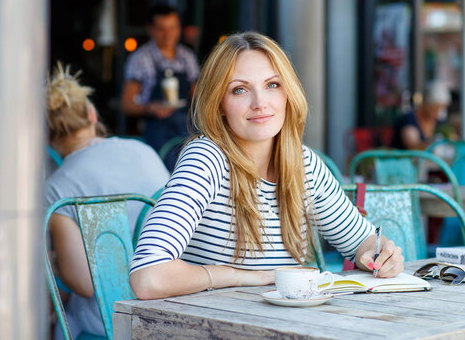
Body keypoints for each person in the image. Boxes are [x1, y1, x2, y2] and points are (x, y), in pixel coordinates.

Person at [129, 32, 404, 299]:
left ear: (288, 93)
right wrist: (241, 276)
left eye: (272, 85)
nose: (260, 103)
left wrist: (380, 254)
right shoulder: (207, 159)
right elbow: (148, 277)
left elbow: (362, 243)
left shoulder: (304, 164)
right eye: (239, 90)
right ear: (220, 104)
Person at [45, 63, 170, 339]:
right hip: (169, 307)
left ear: (48, 136)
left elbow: (83, 283)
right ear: (91, 114)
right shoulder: (142, 149)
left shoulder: (57, 186)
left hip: (109, 322)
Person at [121, 4, 201, 169]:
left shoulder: (187, 57)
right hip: (155, 131)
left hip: (186, 128)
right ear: (150, 29)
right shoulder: (140, 59)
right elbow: (126, 104)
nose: (168, 34)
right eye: (161, 29)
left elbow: (198, 95)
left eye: (173, 28)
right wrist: (151, 108)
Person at [392, 81, 451, 150]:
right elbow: (412, 145)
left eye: (442, 108)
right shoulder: (408, 119)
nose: (438, 113)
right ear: (426, 103)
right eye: (435, 108)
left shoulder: (439, 122)